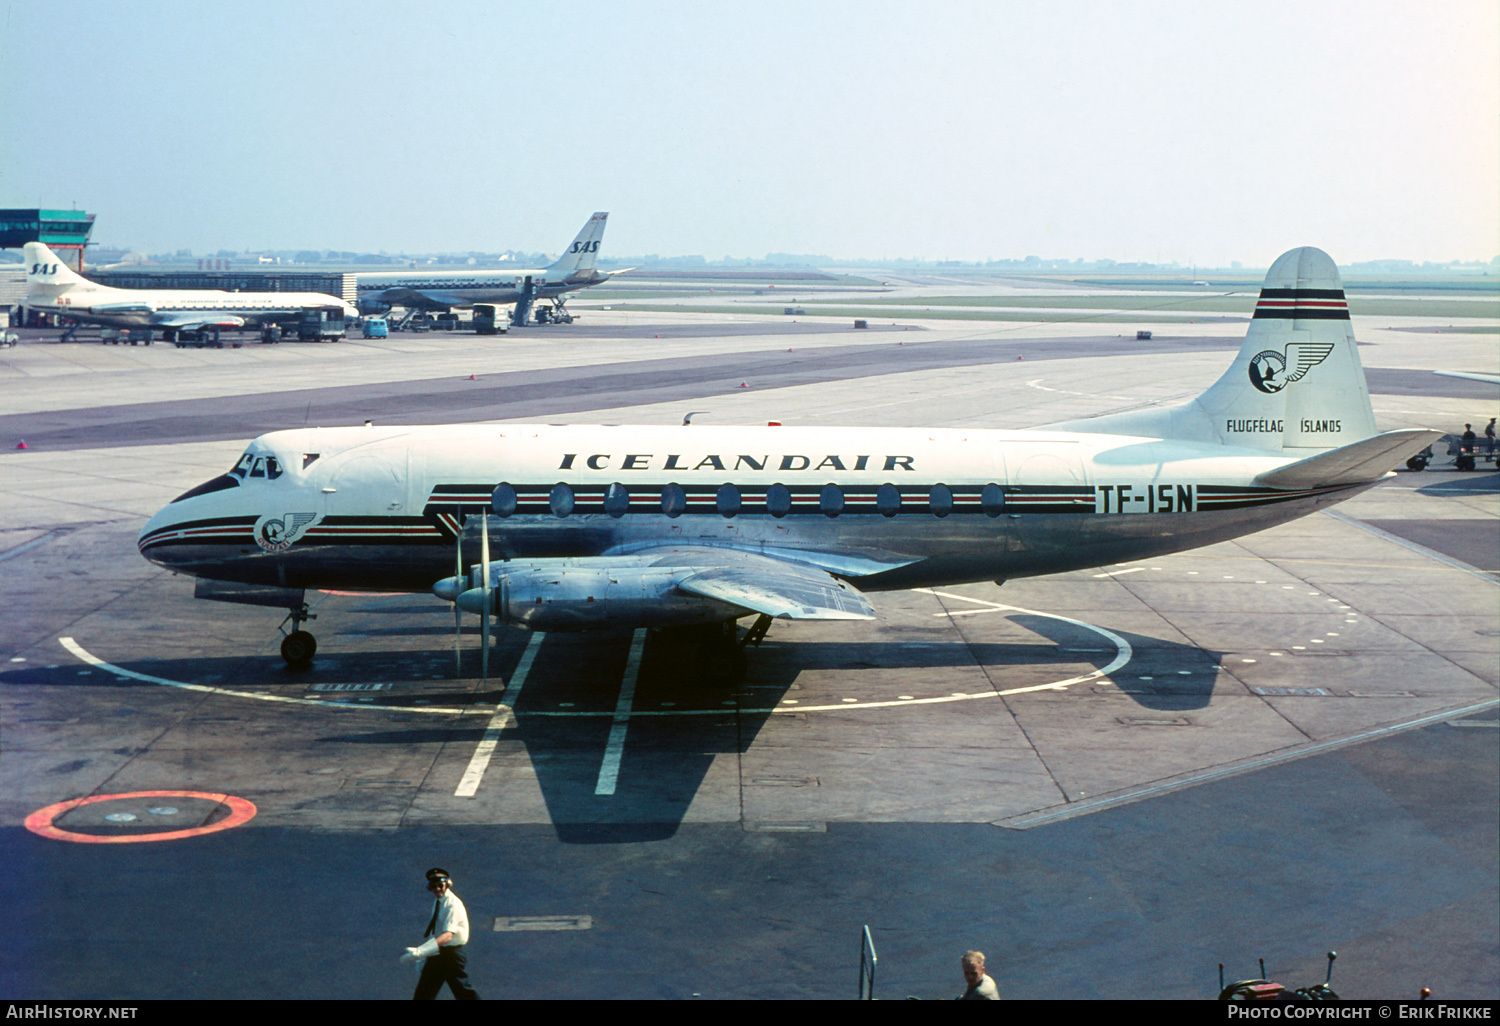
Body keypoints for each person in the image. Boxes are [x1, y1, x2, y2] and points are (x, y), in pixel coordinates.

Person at [400, 867, 479, 1000]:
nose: (437, 889)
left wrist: (422, 951)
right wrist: (426, 952)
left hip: (451, 956)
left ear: (447, 884)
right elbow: (436, 931)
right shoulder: (439, 902)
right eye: (434, 886)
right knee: (424, 993)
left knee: (464, 993)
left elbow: (448, 936)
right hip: (438, 953)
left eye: (440, 885)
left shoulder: (453, 905)